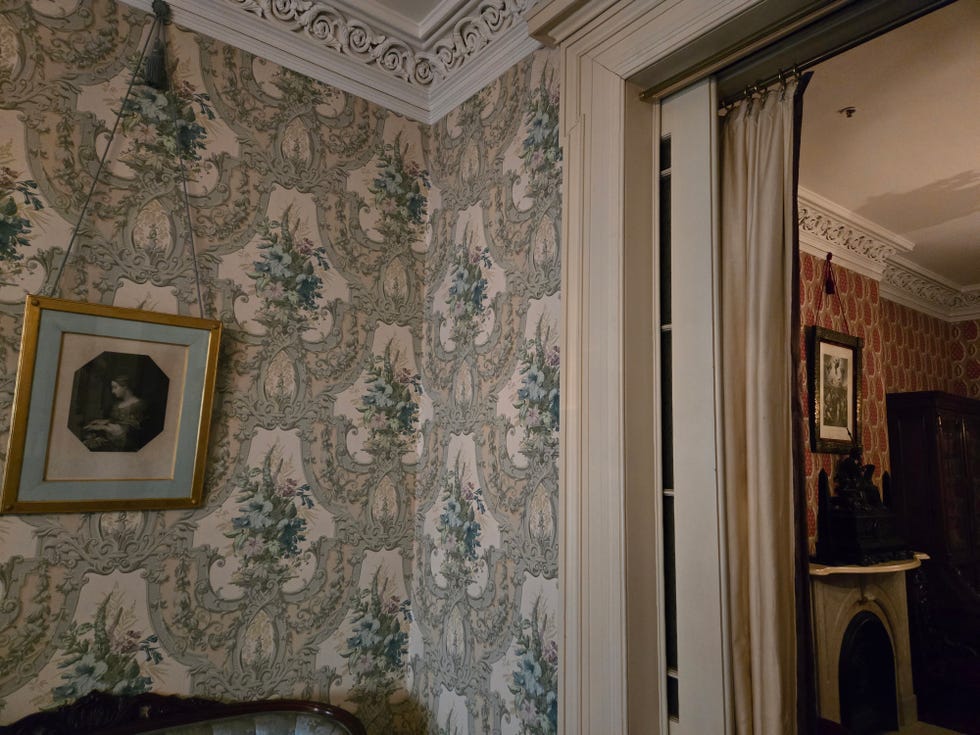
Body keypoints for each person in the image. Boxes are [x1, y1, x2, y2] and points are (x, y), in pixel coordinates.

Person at [81, 375, 148, 451]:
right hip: (112, 441)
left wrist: (103, 427)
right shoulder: (117, 405)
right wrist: (103, 421)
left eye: (115, 387)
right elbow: (117, 420)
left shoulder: (138, 405)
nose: (113, 391)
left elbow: (127, 431)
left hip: (126, 447)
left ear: (125, 387)